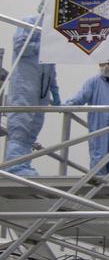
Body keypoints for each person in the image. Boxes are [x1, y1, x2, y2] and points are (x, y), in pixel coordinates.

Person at [3, 11, 60, 177]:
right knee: (21, 125)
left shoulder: (54, 30)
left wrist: (54, 90)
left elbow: (51, 66)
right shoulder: (30, 22)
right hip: (25, 85)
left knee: (34, 127)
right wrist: (43, 45)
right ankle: (14, 165)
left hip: (41, 89)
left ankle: (23, 164)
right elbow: (20, 46)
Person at [65, 61, 109, 174]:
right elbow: (81, 97)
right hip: (98, 126)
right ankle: (98, 188)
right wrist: (69, 105)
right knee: (98, 156)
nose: (106, 66)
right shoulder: (93, 82)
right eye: (103, 63)